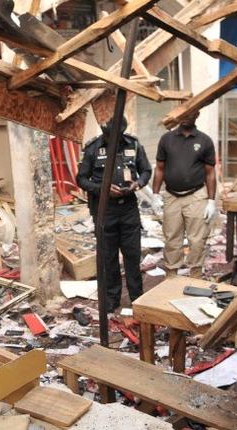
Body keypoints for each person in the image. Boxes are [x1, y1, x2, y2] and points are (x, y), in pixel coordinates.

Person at [75, 116, 152, 313]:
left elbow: (146, 171)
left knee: (132, 257)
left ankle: (137, 299)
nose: (113, 140)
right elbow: (81, 179)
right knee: (108, 258)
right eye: (110, 136)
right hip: (104, 211)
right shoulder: (93, 148)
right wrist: (103, 189)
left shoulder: (133, 145)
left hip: (128, 210)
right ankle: (111, 300)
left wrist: (138, 184)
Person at [152, 111, 217, 279]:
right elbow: (159, 168)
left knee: (197, 240)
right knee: (172, 238)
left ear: (197, 115)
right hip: (171, 196)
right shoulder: (167, 139)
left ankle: (195, 275)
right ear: (178, 116)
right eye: (184, 114)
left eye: (191, 113)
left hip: (196, 196)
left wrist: (211, 200)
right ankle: (172, 276)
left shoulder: (204, 140)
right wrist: (155, 194)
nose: (187, 117)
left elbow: (210, 173)